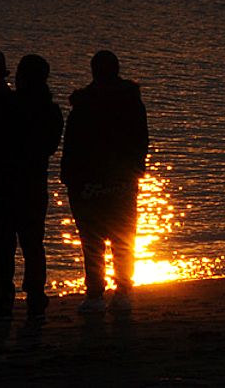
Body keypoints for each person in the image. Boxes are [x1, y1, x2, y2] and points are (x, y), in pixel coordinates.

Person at [60, 49, 149, 312]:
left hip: (89, 182)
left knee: (92, 240)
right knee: (123, 237)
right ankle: (123, 292)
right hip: (122, 181)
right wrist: (134, 170)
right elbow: (141, 141)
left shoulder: (83, 105)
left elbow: (72, 146)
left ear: (94, 71)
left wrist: (70, 178)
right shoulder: (132, 102)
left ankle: (96, 295)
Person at [0, 54, 64, 318]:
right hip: (33, 186)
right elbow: (51, 147)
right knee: (33, 244)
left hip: (3, 185)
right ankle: (36, 295)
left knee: (2, 245)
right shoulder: (52, 111)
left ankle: (3, 297)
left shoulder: (5, 106)